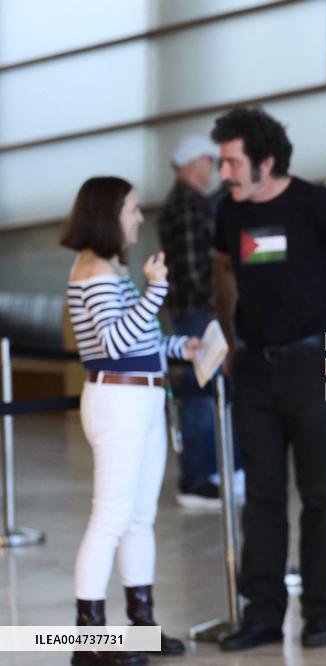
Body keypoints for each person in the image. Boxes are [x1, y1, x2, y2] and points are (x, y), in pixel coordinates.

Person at [210, 106, 326, 651]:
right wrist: (225, 338)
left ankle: (320, 611)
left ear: (266, 161)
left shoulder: (317, 205)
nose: (224, 173)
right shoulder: (230, 213)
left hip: (315, 365)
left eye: (233, 162)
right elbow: (224, 270)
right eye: (221, 163)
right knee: (261, 497)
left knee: (319, 495)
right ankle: (262, 615)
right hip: (254, 371)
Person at [62, 176, 197, 664]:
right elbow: (116, 346)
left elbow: (136, 343)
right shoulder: (94, 272)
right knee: (111, 518)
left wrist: (184, 347)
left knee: (138, 518)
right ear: (108, 215)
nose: (140, 218)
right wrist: (156, 292)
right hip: (118, 402)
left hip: (140, 398)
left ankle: (141, 626)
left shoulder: (108, 270)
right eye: (133, 209)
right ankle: (90, 641)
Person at [157, 134, 228, 509]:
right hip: (196, 312)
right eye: (206, 162)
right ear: (188, 163)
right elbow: (191, 268)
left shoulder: (193, 203)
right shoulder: (186, 205)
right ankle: (196, 477)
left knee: (206, 388)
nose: (211, 170)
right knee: (201, 393)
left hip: (196, 311)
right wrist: (214, 306)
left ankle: (207, 472)